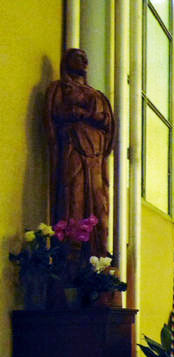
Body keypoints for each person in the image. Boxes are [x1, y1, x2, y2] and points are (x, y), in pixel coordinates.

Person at [46, 48, 115, 257]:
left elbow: (107, 121)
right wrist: (80, 115)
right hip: (73, 148)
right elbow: (56, 114)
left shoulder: (97, 94)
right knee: (73, 195)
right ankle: (72, 251)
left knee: (98, 201)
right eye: (79, 58)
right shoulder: (61, 89)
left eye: (85, 59)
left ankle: (97, 252)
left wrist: (89, 116)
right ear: (67, 62)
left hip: (95, 154)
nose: (84, 62)